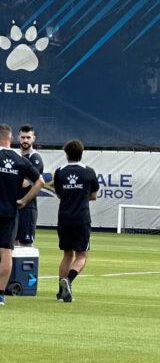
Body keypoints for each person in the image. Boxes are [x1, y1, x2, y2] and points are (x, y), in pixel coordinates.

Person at [0, 124, 44, 306]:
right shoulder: (19, 159)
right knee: (6, 252)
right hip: (9, 212)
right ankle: (1, 294)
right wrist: (24, 200)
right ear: (11, 139)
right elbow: (40, 182)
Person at [53, 139, 99, 303]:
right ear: (82, 153)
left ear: (66, 153)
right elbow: (93, 195)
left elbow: (59, 194)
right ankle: (69, 281)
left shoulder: (59, 172)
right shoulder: (89, 172)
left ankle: (60, 292)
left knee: (67, 254)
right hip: (81, 218)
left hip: (64, 217)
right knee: (81, 256)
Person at [15, 124, 44, 246]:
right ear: (18, 138)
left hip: (27, 207)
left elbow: (24, 183)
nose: (25, 140)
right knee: (11, 243)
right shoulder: (16, 156)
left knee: (26, 245)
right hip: (14, 205)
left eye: (28, 137)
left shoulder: (35, 157)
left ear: (34, 138)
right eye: (23, 137)